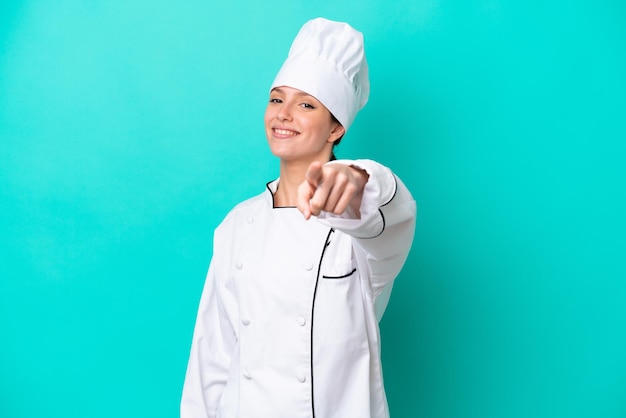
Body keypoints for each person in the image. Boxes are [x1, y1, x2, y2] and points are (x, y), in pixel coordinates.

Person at [181, 17, 416, 418]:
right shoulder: (236, 225)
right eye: (276, 99)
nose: (284, 114)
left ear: (336, 128)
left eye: (306, 104)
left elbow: (392, 213)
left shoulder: (360, 223)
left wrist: (356, 179)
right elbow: (213, 357)